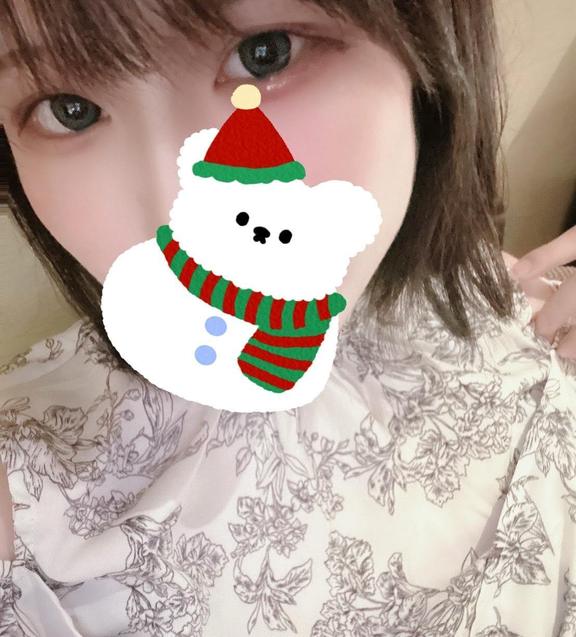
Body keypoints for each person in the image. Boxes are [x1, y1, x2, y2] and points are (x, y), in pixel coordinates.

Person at [0, 1, 575, 635]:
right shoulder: (32, 485)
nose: (172, 213)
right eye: (69, 109)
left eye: (264, 53)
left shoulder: (507, 304)